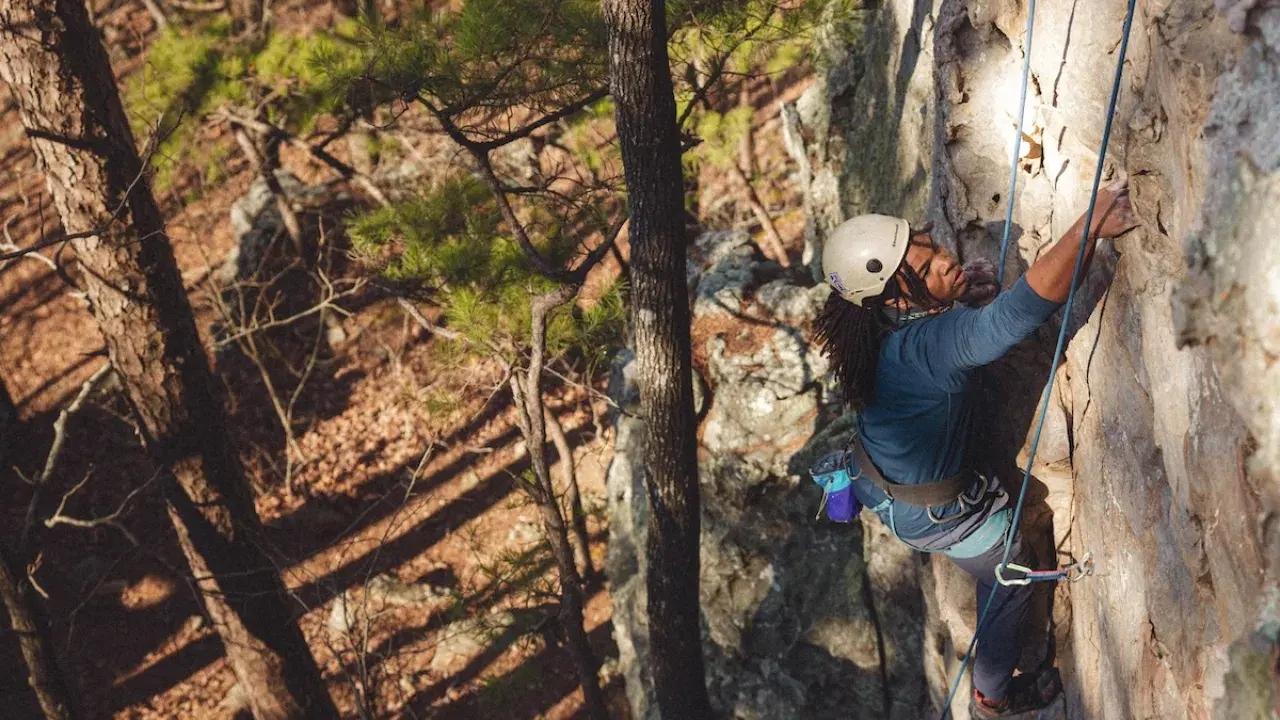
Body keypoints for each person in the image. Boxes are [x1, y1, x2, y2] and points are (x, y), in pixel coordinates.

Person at [811, 185, 1134, 718]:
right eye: (927, 264)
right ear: (895, 296)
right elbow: (1015, 317)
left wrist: (946, 297)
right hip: (928, 511)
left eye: (930, 246)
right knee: (1010, 571)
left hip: (880, 474)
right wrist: (1088, 227)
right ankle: (991, 694)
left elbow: (942, 338)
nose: (946, 259)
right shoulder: (925, 348)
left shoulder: (879, 321)